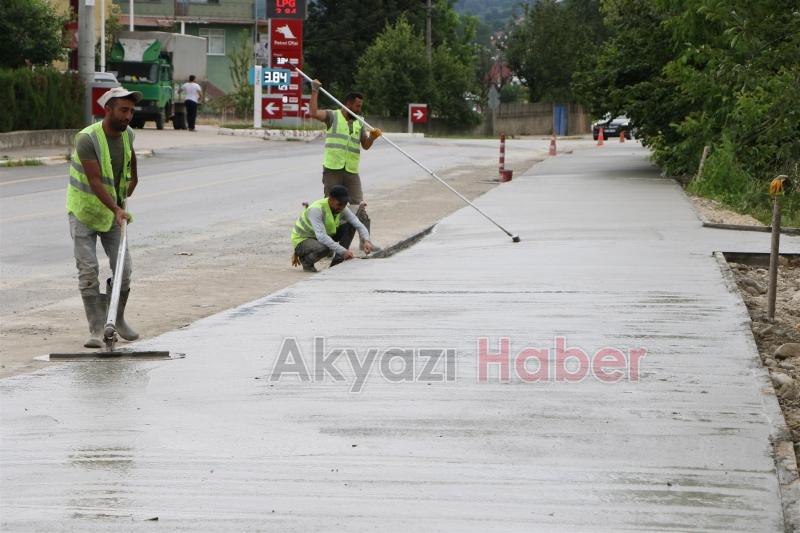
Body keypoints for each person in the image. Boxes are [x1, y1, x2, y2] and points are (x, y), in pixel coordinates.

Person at [67, 87, 142, 348]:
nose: (128, 116)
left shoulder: (128, 134)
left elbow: (130, 160)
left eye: (131, 111)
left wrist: (133, 180)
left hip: (113, 213)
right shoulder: (87, 139)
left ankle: (117, 319)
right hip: (85, 212)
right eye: (123, 110)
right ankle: (97, 328)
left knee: (124, 269)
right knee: (88, 270)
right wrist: (117, 209)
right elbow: (95, 180)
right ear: (107, 109)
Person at [308, 80, 381, 249]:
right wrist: (314, 90)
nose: (359, 109)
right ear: (348, 104)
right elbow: (313, 113)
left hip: (351, 171)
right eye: (357, 106)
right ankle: (327, 245)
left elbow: (365, 145)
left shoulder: (359, 122)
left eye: (360, 106)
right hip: (332, 169)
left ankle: (365, 244)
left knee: (359, 207)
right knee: (330, 207)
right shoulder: (332, 116)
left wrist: (372, 137)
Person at [291, 185, 374, 272]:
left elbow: (357, 224)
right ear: (331, 199)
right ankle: (306, 262)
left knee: (350, 225)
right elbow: (321, 237)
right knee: (324, 248)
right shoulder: (316, 209)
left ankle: (338, 260)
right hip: (303, 239)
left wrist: (366, 240)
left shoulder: (342, 208)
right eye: (339, 204)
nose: (341, 207)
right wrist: (343, 251)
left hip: (322, 235)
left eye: (344, 204)